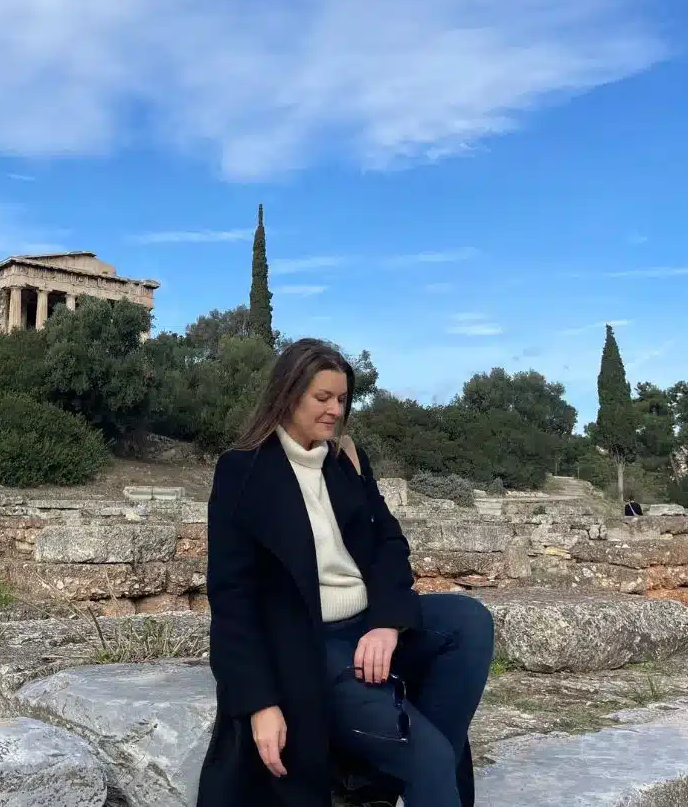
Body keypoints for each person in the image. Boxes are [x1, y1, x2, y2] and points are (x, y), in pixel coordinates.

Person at [196, 338, 494, 807]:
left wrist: (387, 623)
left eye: (342, 399)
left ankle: (396, 764)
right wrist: (259, 703)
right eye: (323, 398)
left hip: (367, 626)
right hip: (312, 644)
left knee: (469, 620)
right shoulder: (242, 471)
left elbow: (390, 544)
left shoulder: (346, 461)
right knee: (433, 760)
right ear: (288, 394)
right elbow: (232, 597)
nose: (335, 410)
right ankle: (414, 762)